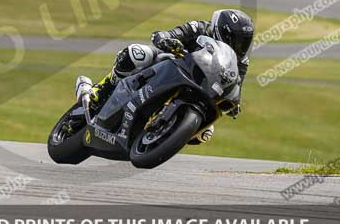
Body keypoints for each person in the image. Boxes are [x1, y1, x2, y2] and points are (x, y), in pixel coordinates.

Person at [83, 9, 254, 145]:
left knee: (206, 132)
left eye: (244, 41)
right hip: (172, 62)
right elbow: (176, 32)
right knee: (137, 53)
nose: (240, 46)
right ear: (222, 31)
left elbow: (236, 85)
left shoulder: (241, 62)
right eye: (237, 40)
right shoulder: (202, 28)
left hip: (201, 86)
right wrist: (165, 38)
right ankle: (101, 90)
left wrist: (233, 104)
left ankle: (166, 133)